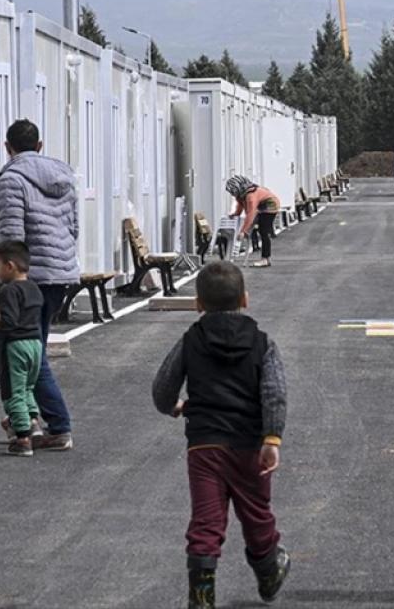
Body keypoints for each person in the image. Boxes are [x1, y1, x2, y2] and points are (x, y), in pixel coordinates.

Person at [152, 261, 291, 609]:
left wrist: (174, 405)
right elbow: (274, 391)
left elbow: (163, 387)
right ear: (246, 299)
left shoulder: (191, 340)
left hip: (205, 445)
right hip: (249, 445)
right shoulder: (263, 344)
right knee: (257, 513)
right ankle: (269, 573)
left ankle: (201, 598)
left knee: (206, 520)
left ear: (199, 304)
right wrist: (271, 438)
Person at [0, 119, 77, 451]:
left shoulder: (12, 179)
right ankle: (31, 419)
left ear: (7, 147)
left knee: (25, 353)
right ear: (40, 146)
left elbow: (10, 234)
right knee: (35, 349)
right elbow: (73, 226)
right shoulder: (64, 177)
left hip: (28, 277)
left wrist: (5, 278)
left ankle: (55, 424)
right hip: (59, 273)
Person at [0, 241, 44, 457]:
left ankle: (22, 437)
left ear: (10, 266)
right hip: (35, 344)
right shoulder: (34, 288)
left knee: (13, 391)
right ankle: (32, 421)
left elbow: (9, 321)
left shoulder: (8, 291)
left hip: (15, 346)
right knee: (28, 387)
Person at [225, 175, 280, 268]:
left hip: (270, 206)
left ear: (238, 189)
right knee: (257, 227)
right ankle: (265, 255)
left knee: (264, 231)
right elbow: (240, 204)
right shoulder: (242, 195)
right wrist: (236, 213)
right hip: (261, 206)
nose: (232, 195)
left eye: (233, 192)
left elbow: (251, 213)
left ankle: (265, 259)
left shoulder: (251, 196)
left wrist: (243, 231)